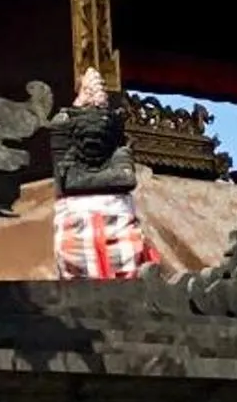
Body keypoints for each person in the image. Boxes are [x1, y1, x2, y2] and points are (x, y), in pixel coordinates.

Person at [50, 67, 160, 280]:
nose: (98, 84)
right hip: (76, 214)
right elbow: (66, 181)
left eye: (100, 82)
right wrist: (109, 178)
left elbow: (127, 178)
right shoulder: (63, 122)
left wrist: (91, 179)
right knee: (76, 260)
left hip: (115, 211)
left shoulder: (115, 122)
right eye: (91, 82)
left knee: (126, 257)